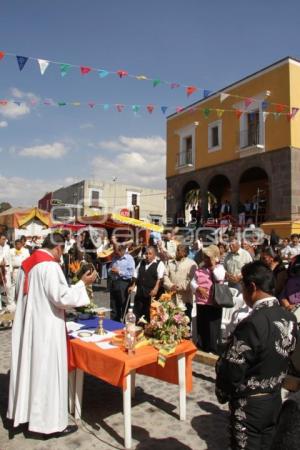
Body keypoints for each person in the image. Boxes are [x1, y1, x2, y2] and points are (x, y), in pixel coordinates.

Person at [7, 232, 97, 437]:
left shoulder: (26, 264)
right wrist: (83, 283)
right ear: (58, 248)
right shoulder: (50, 266)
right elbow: (61, 297)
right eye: (62, 251)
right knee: (47, 372)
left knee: (30, 370)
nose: (62, 256)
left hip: (28, 326)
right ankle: (48, 424)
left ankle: (26, 415)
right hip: (46, 328)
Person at [216, 261, 298, 450]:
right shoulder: (289, 317)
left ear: (252, 287)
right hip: (275, 399)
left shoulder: (252, 323)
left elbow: (231, 368)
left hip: (250, 405)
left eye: (243, 286)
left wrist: (223, 392)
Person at [191, 244, 225, 354]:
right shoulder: (200, 269)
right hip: (201, 302)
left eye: (208, 257)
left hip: (214, 302)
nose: (205, 259)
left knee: (212, 326)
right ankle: (202, 345)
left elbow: (219, 277)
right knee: (202, 324)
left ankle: (212, 347)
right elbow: (192, 283)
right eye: (205, 257)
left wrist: (213, 265)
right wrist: (198, 288)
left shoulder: (219, 268)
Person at [163, 244, 197, 321]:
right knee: (170, 324)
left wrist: (178, 287)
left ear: (185, 253)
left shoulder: (192, 264)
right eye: (177, 249)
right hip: (171, 299)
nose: (176, 252)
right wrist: (170, 286)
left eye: (179, 250)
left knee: (184, 325)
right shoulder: (170, 263)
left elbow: (191, 280)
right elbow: (165, 276)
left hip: (185, 300)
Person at [130, 246, 165, 321]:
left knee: (149, 314)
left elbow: (160, 278)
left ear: (154, 255)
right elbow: (136, 274)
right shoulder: (141, 262)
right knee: (137, 312)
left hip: (151, 293)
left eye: (150, 254)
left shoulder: (159, 264)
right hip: (140, 291)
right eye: (146, 253)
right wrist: (133, 286)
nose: (147, 255)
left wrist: (155, 289)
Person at [109, 244, 135, 321]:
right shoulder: (114, 258)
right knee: (113, 305)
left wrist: (119, 272)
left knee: (124, 305)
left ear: (123, 250)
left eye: (117, 252)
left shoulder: (129, 259)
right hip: (114, 282)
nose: (116, 254)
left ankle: (124, 324)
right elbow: (110, 269)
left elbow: (131, 274)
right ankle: (114, 323)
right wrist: (111, 270)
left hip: (124, 283)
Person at [0, 233, 13, 310]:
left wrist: (10, 270)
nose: (4, 241)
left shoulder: (7, 247)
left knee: (8, 286)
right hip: (0, 269)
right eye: (3, 239)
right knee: (2, 288)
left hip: (7, 269)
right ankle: (3, 304)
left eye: (5, 239)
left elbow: (10, 259)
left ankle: (10, 303)